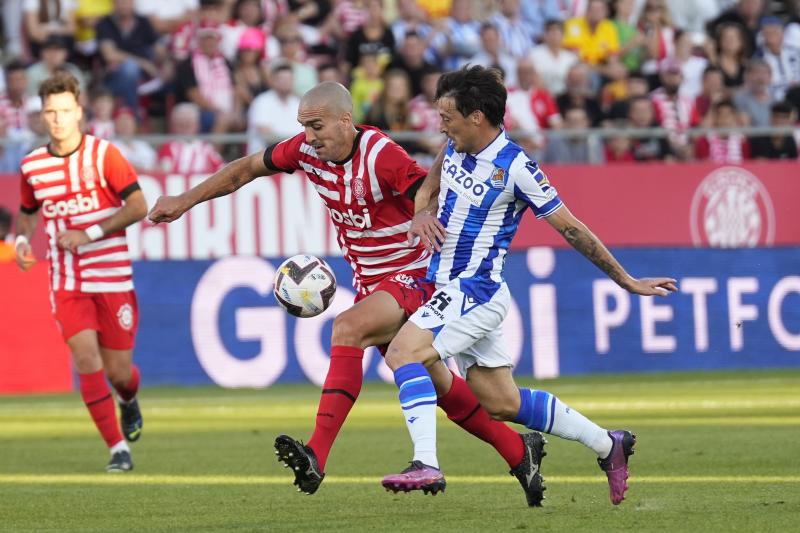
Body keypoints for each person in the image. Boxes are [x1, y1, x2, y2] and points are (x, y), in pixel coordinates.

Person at [148, 80, 549, 507]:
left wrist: (423, 214)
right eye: (303, 126)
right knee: (441, 386)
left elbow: (429, 192)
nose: (309, 136)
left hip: (417, 273)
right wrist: (185, 200)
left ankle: (316, 454)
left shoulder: (380, 154)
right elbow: (246, 169)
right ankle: (518, 451)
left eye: (316, 126)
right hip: (373, 284)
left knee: (347, 328)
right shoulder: (304, 151)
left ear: (345, 120)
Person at [379, 65, 677, 506]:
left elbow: (572, 229)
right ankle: (608, 443)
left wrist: (627, 281)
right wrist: (422, 212)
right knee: (501, 403)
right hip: (450, 289)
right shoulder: (455, 145)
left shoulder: (517, 167)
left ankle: (426, 462)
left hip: (473, 291)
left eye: (447, 117)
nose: (440, 125)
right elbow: (429, 187)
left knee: (403, 352)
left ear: (477, 116)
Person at [15, 72, 148, 472]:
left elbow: (138, 206)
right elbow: (27, 214)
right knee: (86, 358)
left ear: (79, 112)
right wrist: (21, 241)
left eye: (64, 111)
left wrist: (87, 233)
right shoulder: (32, 166)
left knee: (120, 373)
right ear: (42, 115)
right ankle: (117, 449)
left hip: (112, 277)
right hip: (67, 280)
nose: (57, 119)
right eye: (50, 112)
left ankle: (128, 398)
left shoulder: (104, 155)